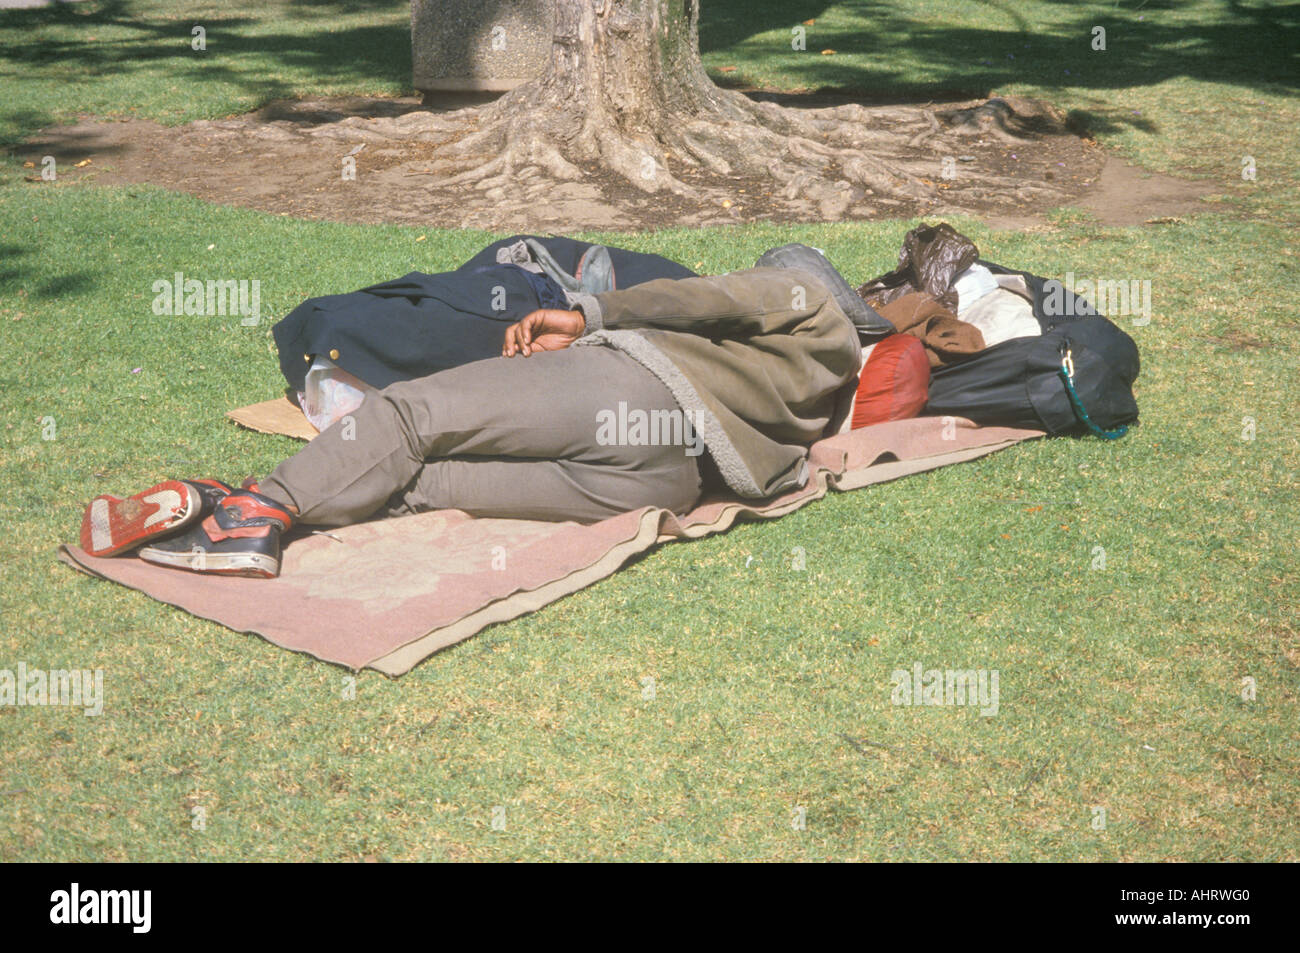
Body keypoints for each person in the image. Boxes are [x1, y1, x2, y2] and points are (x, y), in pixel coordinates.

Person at [79, 267, 861, 577]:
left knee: (413, 415)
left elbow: (701, 300)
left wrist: (588, 311)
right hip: (668, 479)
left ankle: (256, 509)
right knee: (426, 482)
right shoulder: (836, 379)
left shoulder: (802, 293)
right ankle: (254, 502)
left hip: (634, 393)